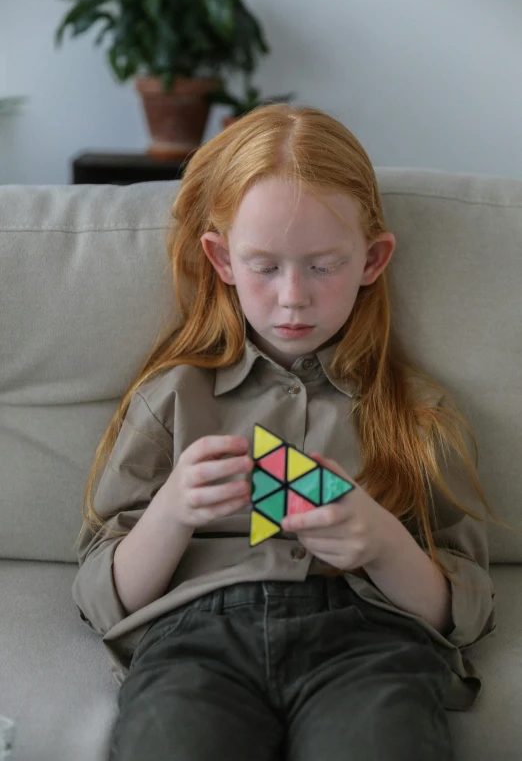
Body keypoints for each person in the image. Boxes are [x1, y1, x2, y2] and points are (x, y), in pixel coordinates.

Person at [72, 104, 500, 761]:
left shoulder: (420, 411)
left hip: (369, 638)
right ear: (221, 260)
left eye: (322, 265)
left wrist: (383, 540)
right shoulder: (172, 398)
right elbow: (102, 597)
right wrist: (172, 510)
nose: (293, 297)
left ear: (372, 259)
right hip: (195, 643)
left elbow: (464, 608)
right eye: (265, 266)